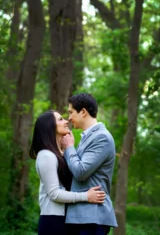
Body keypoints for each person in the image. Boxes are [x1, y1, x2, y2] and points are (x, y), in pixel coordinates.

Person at [29, 110, 106, 235]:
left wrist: (70, 148)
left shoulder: (60, 154)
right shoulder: (46, 155)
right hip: (53, 221)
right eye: (60, 119)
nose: (66, 121)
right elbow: (54, 193)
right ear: (49, 127)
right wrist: (85, 196)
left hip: (66, 219)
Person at [61, 93, 118, 235]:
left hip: (92, 218)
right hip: (80, 216)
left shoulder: (102, 137)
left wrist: (69, 147)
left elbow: (80, 172)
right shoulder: (88, 138)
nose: (69, 118)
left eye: (71, 112)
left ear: (84, 112)